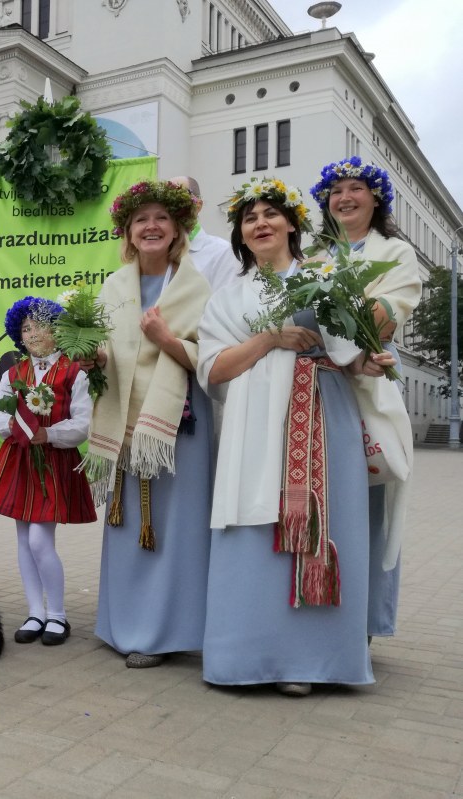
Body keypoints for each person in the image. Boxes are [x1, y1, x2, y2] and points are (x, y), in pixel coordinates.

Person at [197, 177, 395, 696]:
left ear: (292, 224)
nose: (260, 223)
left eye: (270, 214)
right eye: (249, 218)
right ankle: (247, 656)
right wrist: (268, 339)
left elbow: (352, 355)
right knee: (252, 529)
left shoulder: (327, 277)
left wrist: (373, 362)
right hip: (253, 424)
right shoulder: (228, 296)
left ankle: (310, 661)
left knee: (327, 520)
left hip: (322, 415)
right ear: (241, 235)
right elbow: (214, 369)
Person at [85, 179, 213, 669]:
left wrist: (164, 337)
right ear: (129, 232)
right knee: (124, 522)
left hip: (178, 421)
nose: (152, 226)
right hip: (122, 421)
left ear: (178, 229)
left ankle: (167, 633)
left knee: (174, 526)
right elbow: (103, 350)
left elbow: (208, 358)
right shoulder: (114, 286)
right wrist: (91, 357)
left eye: (162, 218)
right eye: (142, 220)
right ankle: (120, 625)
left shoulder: (195, 285)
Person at [310, 158, 421, 640]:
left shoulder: (395, 251)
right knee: (327, 497)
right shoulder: (314, 258)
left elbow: (388, 313)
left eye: (356, 188)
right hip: (319, 384)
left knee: (372, 501)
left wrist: (339, 329)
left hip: (371, 380)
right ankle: (320, 611)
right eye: (336, 191)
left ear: (376, 200)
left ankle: (364, 623)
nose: (345, 197)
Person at [0, 297, 95, 645]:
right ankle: (35, 612)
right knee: (22, 539)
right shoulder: (13, 373)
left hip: (53, 461)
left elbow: (83, 423)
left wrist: (49, 433)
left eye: (41, 326)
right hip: (19, 460)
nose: (33, 334)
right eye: (26, 328)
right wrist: (15, 426)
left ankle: (58, 614)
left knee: (38, 540)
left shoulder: (74, 373)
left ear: (57, 331)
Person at [169, 176, 242, 293]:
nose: (170, 207)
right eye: (165, 200)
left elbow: (224, 305)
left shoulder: (222, 252)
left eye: (178, 198)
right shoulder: (159, 251)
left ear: (198, 205)